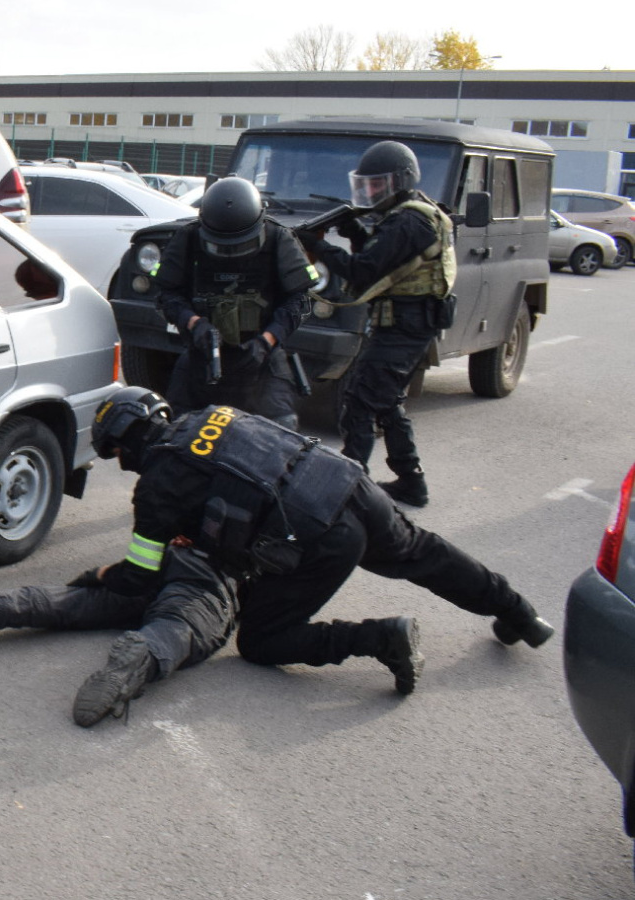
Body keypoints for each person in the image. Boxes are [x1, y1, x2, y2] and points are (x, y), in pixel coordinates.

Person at [84, 387, 554, 697]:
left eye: (115, 451)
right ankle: (517, 611)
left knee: (262, 641)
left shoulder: (156, 488)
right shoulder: (213, 415)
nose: (119, 460)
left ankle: (381, 638)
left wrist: (100, 576)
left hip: (319, 534)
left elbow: (138, 578)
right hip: (352, 486)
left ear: (125, 445)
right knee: (422, 554)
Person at [0, 540, 241, 728]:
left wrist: (98, 576)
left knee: (80, 603)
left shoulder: (208, 458)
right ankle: (142, 655)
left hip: (163, 558)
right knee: (180, 629)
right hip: (207, 584)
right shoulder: (277, 495)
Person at [295, 141, 456, 507]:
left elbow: (364, 271)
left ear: (401, 181)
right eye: (367, 185)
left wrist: (318, 248)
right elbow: (379, 258)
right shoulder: (408, 216)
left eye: (379, 185)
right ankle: (411, 482)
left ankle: (350, 487)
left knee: (360, 402)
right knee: (385, 402)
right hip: (405, 325)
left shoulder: (409, 221)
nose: (371, 192)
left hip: (406, 326)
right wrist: (354, 232)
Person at [153, 176, 315, 429]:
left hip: (261, 360)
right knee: (179, 431)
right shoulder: (187, 239)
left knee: (280, 431)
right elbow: (166, 294)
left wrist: (267, 341)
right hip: (202, 358)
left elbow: (299, 300)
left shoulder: (278, 238)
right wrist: (194, 324)